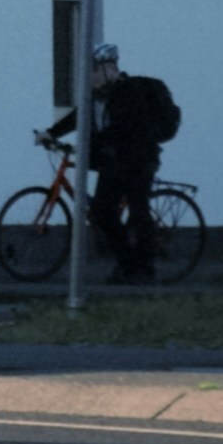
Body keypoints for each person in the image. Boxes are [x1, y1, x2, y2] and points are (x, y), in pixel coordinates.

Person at [85, 42, 181, 281]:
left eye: (94, 71)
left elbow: (123, 128)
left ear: (110, 70)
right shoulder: (97, 98)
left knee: (138, 212)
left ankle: (146, 269)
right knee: (102, 212)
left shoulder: (129, 93)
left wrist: (95, 143)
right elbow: (78, 118)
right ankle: (127, 264)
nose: (90, 76)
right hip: (115, 163)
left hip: (139, 161)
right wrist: (51, 133)